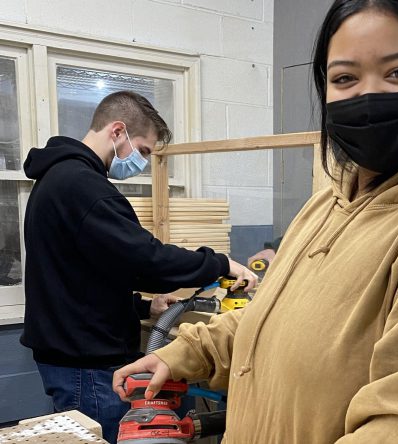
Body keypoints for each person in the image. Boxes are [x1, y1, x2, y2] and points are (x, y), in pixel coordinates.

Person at [114, 1, 398, 442]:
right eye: (345, 78)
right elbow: (270, 323)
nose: (368, 96)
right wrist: (184, 353)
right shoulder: (328, 205)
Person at [21, 91, 258, 444]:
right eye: (144, 151)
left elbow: (82, 276)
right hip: (90, 367)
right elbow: (146, 260)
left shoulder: (57, 178)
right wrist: (220, 263)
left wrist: (145, 307)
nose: (143, 162)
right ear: (118, 131)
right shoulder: (82, 186)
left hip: (73, 356)